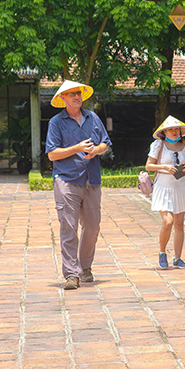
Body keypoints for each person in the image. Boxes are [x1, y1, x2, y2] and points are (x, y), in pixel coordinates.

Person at [45, 80, 112, 290]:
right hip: (66, 179)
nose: (76, 97)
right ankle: (71, 274)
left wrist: (95, 151)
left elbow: (106, 143)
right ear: (62, 98)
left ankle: (85, 268)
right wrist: (76, 148)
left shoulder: (93, 118)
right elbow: (52, 154)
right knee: (69, 227)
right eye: (71, 94)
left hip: (91, 179)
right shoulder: (56, 122)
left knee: (92, 227)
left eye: (78, 93)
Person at [146, 116, 185, 270]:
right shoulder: (158, 145)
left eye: (176, 129)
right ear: (164, 132)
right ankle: (162, 252)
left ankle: (178, 258)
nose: (174, 132)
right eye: (170, 129)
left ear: (181, 131)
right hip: (163, 187)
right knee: (168, 223)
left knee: (179, 224)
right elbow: (148, 166)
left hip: (179, 187)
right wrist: (165, 167)